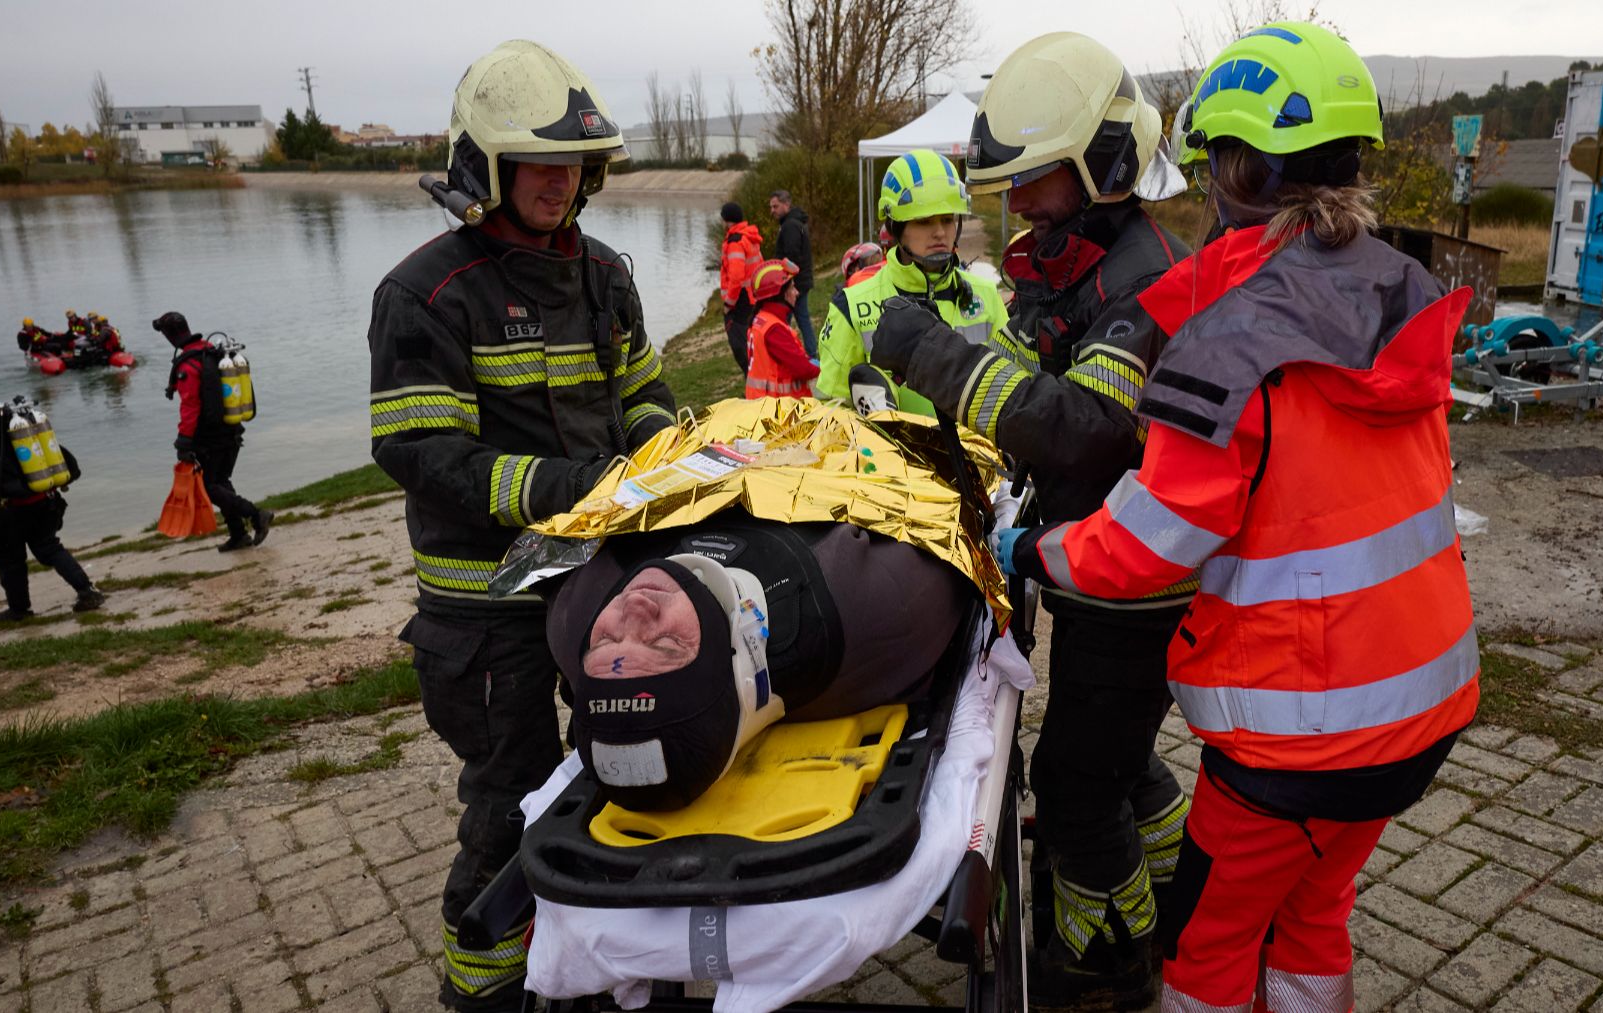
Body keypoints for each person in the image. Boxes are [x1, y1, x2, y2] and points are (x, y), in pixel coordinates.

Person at [990, 23, 1477, 1011]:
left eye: (1214, 160)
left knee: (1205, 946)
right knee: (1313, 909)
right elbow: (1225, 280)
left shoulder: (1226, 348)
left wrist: (1028, 548)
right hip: (1421, 706)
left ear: (1235, 170)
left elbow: (1147, 546)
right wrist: (1138, 314)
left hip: (1298, 738)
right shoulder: (1392, 288)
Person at [866, 35, 1191, 1007]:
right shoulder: (1081, 260)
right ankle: (1172, 893)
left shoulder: (1140, 278)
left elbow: (1085, 431)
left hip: (1135, 579)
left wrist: (934, 355)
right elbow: (1033, 382)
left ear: (1103, 162)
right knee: (1118, 756)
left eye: (1037, 177)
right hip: (1098, 558)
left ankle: (1106, 962)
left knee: (1077, 780)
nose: (1022, 200)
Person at [365, 39, 678, 1013]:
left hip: (598, 585)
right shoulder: (424, 294)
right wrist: (576, 487)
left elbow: (644, 391)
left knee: (624, 776)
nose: (557, 181)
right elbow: (426, 455)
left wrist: (665, 457)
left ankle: (596, 963)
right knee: (510, 807)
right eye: (535, 162)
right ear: (484, 167)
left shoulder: (603, 274)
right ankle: (486, 989)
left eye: (572, 163)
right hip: (487, 611)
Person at [546, 511, 968, 811]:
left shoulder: (574, 618)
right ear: (733, 670)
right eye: (666, 644)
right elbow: (946, 522)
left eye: (607, 640)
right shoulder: (869, 610)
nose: (635, 608)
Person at [817, 149, 1010, 418]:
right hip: (889, 446)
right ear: (894, 227)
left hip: (976, 444)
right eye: (924, 221)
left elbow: (1010, 394)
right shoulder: (851, 307)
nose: (940, 232)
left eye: (947, 219)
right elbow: (831, 410)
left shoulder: (986, 295)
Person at [0, 376, 105, 622]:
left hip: (4, 508)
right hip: (41, 494)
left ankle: (19, 610)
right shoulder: (3, 415)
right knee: (49, 547)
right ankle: (87, 591)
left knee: (10, 560)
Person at [155, 312, 272, 551]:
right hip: (232, 427)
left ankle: (255, 514)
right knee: (221, 482)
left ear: (169, 336)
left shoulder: (189, 364)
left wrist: (184, 442)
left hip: (210, 437)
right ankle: (238, 535)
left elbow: (190, 406)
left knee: (209, 487)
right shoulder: (211, 351)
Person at [743, 258, 819, 399]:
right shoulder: (774, 329)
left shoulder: (762, 319)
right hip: (777, 406)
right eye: (792, 288)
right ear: (780, 293)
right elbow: (803, 369)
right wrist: (825, 369)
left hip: (762, 401)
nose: (796, 292)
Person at [769, 189, 816, 355]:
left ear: (786, 204)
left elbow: (791, 256)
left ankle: (788, 352)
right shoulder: (794, 222)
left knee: (785, 320)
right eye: (771, 207)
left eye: (775, 206)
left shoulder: (790, 226)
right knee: (801, 319)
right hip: (799, 280)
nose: (772, 211)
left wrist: (787, 283)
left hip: (793, 283)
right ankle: (809, 352)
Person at [718, 202, 763, 373]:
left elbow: (736, 277)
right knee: (751, 341)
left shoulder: (735, 242)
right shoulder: (749, 237)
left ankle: (752, 378)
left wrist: (728, 303)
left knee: (740, 346)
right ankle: (757, 374)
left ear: (726, 220)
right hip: (753, 297)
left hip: (740, 302)